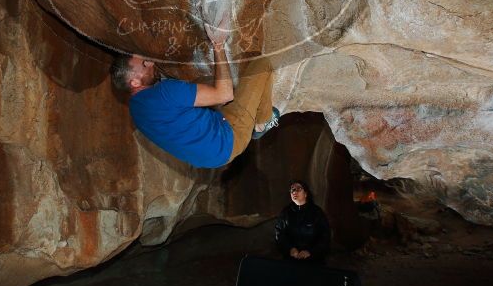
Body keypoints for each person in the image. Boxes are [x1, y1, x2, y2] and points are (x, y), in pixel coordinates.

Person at [109, 18, 279, 168]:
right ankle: (261, 123)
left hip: (209, 159)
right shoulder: (165, 92)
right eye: (145, 64)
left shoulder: (135, 109)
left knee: (203, 86)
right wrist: (218, 45)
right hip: (228, 139)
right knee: (262, 64)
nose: (151, 63)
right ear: (134, 82)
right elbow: (225, 95)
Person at [275, 180, 331, 263]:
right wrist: (290, 248)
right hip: (291, 259)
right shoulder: (285, 212)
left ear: (306, 194)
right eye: (292, 190)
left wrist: (310, 252)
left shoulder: (317, 212)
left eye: (298, 189)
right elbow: (279, 233)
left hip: (313, 260)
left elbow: (325, 236)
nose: (294, 192)